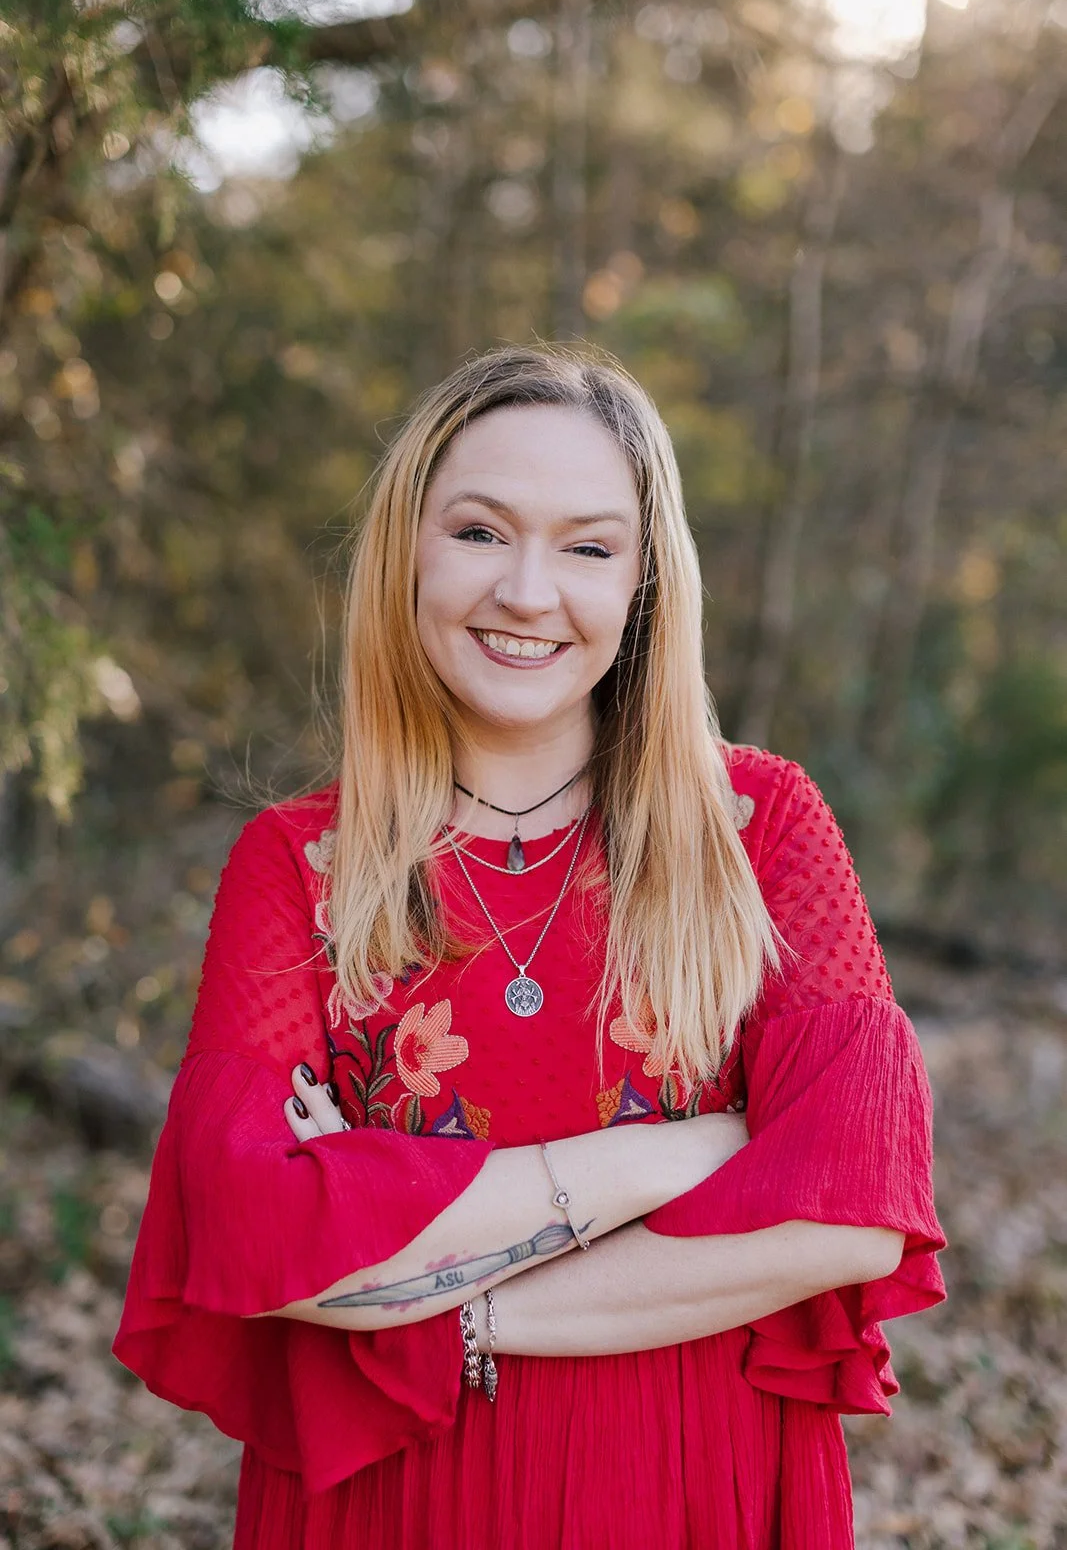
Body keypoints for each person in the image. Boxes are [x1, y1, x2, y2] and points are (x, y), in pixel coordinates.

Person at [114, 342, 946, 1549]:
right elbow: (254, 1240)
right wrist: (675, 1156)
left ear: (643, 582)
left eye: (588, 546)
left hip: (689, 1482)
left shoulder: (754, 830)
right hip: (394, 1500)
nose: (526, 591)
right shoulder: (302, 865)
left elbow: (851, 1214)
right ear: (407, 550)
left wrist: (448, 1311)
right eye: (480, 531)